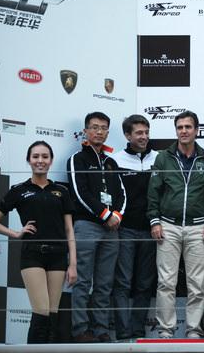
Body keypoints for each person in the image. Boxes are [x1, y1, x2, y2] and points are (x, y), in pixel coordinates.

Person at [147, 110, 204, 338]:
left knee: (196, 284)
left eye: (188, 127)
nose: (184, 131)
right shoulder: (163, 158)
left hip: (198, 227)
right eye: (180, 127)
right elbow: (153, 192)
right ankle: (165, 331)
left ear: (196, 130)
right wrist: (155, 221)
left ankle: (193, 330)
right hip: (167, 226)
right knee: (166, 282)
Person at [0, 141, 76, 344]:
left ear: (51, 161)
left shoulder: (61, 191)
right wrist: (15, 233)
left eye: (45, 156)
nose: (40, 160)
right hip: (32, 255)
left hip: (58, 256)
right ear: (29, 160)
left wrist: (73, 264)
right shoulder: (19, 190)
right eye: (35, 156)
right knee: (41, 312)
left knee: (53, 314)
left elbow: (69, 229)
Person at [67, 112, 126, 343]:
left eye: (103, 128)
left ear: (108, 132)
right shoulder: (77, 159)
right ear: (85, 131)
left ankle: (101, 329)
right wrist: (105, 215)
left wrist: (117, 216)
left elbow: (122, 194)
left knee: (104, 283)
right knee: (82, 281)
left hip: (112, 229)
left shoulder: (111, 162)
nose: (99, 132)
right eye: (94, 127)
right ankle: (80, 330)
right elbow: (79, 193)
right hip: (86, 226)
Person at [111, 115, 158, 341]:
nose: (144, 137)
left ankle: (138, 332)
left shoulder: (159, 159)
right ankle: (122, 333)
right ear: (127, 135)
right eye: (139, 133)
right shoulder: (115, 160)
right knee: (122, 282)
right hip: (125, 229)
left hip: (151, 230)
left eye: (146, 132)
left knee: (145, 283)